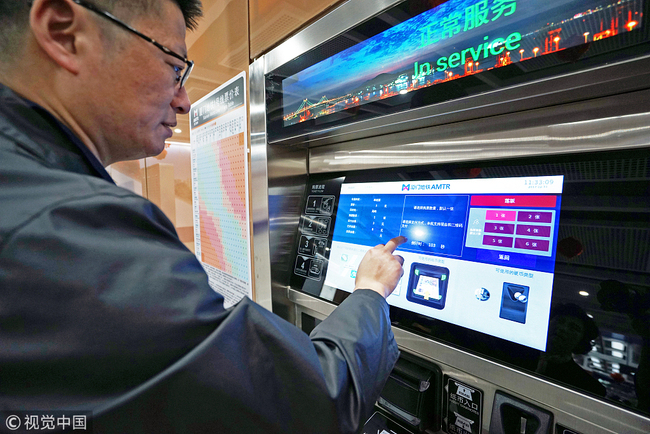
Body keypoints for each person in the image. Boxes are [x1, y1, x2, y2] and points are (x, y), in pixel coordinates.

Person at [0, 1, 407, 432]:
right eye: (174, 68)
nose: (184, 101)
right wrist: (370, 290)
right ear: (65, 33)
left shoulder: (28, 183)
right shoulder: (65, 222)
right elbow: (317, 401)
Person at [536, 303, 606, 397]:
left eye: (573, 328)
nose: (563, 328)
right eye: (560, 321)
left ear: (582, 340)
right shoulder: (516, 353)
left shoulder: (589, 388)